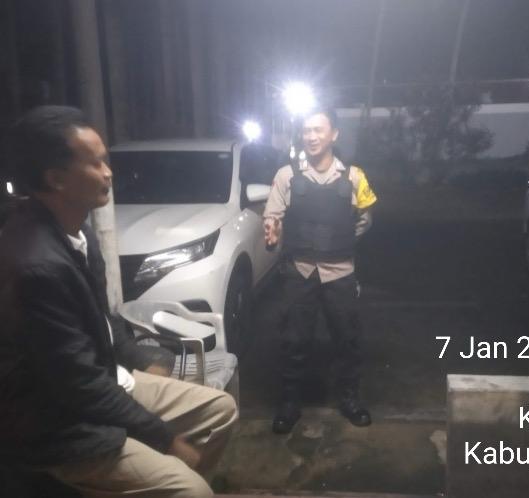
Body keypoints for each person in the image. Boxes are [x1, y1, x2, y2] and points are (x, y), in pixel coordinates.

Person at [0, 106, 237, 498]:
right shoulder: (35, 266)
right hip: (57, 426)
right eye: (95, 163)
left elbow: (101, 319)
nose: (108, 173)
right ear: (56, 179)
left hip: (104, 382)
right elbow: (79, 385)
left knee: (220, 411)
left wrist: (138, 358)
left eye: (106, 160)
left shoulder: (76, 232)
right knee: (192, 490)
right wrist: (165, 440)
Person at [264, 106, 377, 434]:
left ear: (334, 135)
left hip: (340, 272)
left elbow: (365, 220)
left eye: (318, 130)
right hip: (299, 271)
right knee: (294, 341)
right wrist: (272, 232)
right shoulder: (286, 176)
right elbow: (273, 216)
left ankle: (350, 400)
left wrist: (338, 241)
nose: (311, 136)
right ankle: (289, 404)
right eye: (306, 130)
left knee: (348, 341)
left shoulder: (354, 177)